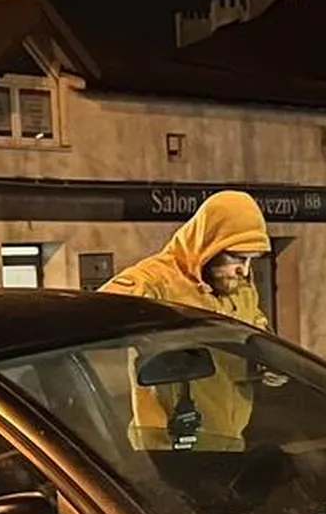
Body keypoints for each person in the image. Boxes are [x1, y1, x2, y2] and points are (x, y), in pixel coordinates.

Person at [101, 189, 274, 451]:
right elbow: (99, 315)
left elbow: (255, 334)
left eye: (251, 260)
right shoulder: (154, 281)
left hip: (229, 439)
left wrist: (267, 363)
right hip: (169, 446)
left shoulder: (239, 287)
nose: (245, 270)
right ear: (209, 243)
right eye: (237, 257)